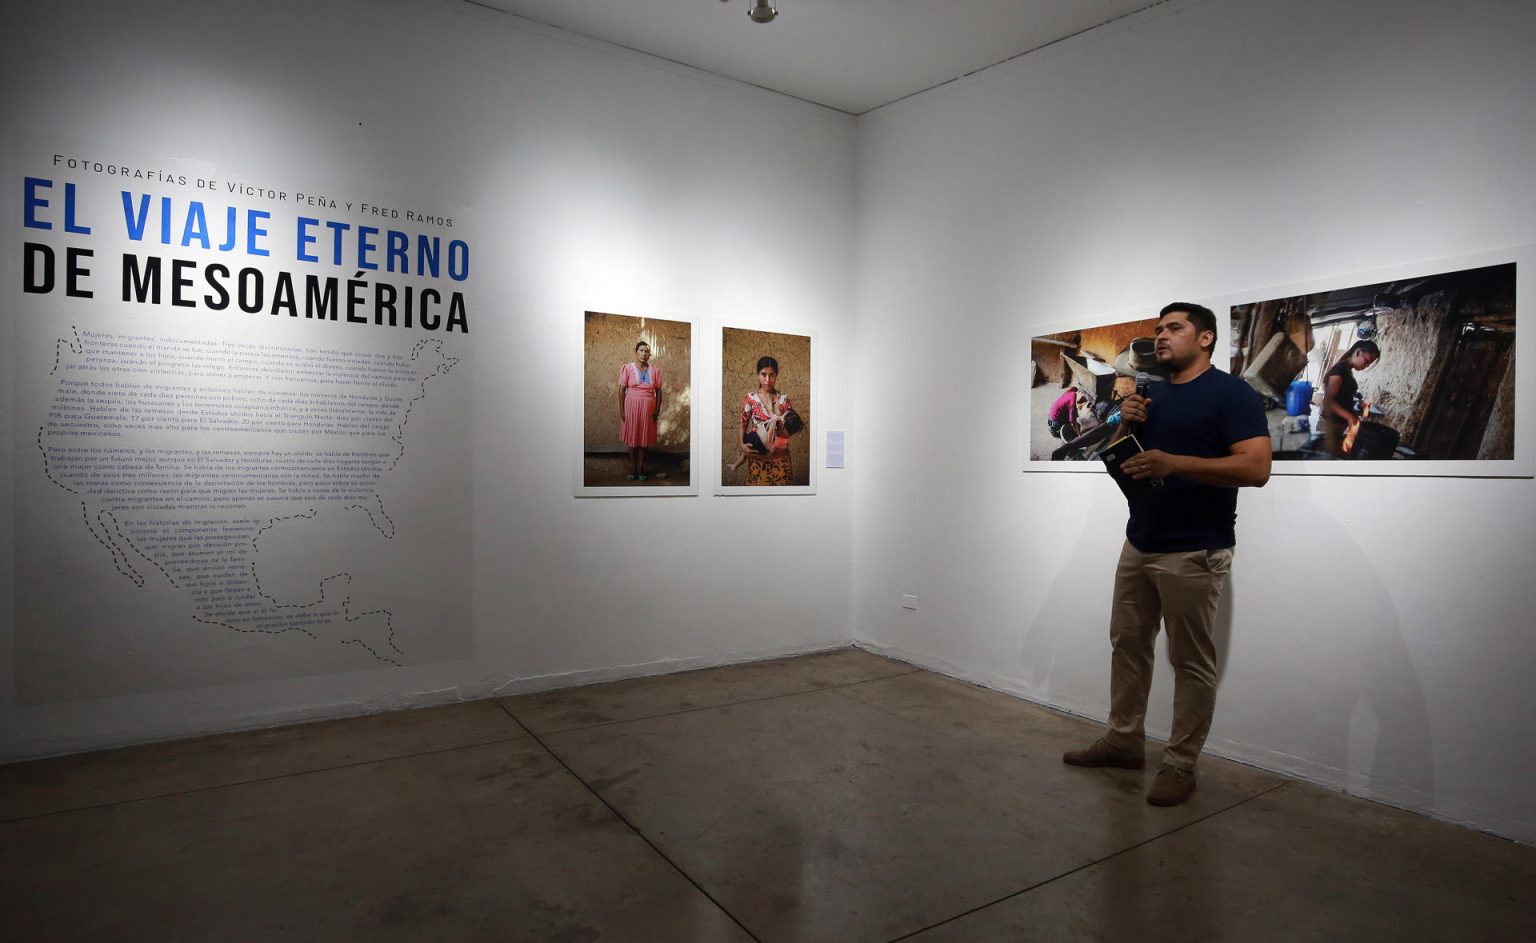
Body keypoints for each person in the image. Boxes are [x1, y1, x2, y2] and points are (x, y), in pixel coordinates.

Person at [1062, 302, 1271, 807]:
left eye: (1174, 328)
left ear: (1205, 338)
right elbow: (1126, 463)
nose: (1161, 336)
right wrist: (1121, 424)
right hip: (1140, 541)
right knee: (1128, 645)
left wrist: (1176, 462)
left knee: (1191, 661)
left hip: (1195, 548)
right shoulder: (1149, 394)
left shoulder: (1232, 393)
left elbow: (1257, 468)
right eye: (1158, 329)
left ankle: (1180, 763)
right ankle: (1124, 739)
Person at [731, 356, 795, 485]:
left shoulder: (783, 399)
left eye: (771, 375)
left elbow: (790, 428)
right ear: (757, 375)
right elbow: (743, 425)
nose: (767, 380)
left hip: (780, 461)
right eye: (763, 374)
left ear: (776, 375)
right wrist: (743, 446)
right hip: (757, 461)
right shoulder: (751, 398)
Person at [1317, 340, 1381, 456]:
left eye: (1369, 364)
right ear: (1358, 352)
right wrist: (1350, 416)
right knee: (1323, 458)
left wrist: (1360, 408)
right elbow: (1328, 401)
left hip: (1338, 425)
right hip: (1329, 425)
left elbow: (1342, 399)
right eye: (1366, 361)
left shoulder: (1347, 371)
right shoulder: (1340, 370)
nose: (1366, 366)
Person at [619, 341, 662, 481]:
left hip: (648, 409)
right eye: (641, 351)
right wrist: (622, 410)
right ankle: (633, 469)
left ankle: (642, 469)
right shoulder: (628, 368)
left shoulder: (655, 370)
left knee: (644, 440)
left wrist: (657, 410)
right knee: (632, 439)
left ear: (649, 354)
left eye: (646, 351)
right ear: (636, 352)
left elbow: (659, 391)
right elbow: (621, 390)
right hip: (631, 407)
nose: (644, 354)